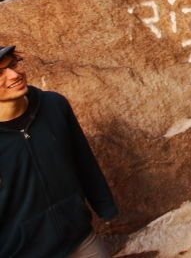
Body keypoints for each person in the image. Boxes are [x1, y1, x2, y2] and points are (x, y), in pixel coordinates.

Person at [0, 45, 119, 258]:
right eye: (0, 73)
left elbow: (83, 160)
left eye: (12, 65)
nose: (14, 74)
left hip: (81, 238)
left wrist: (105, 206)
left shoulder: (53, 105)